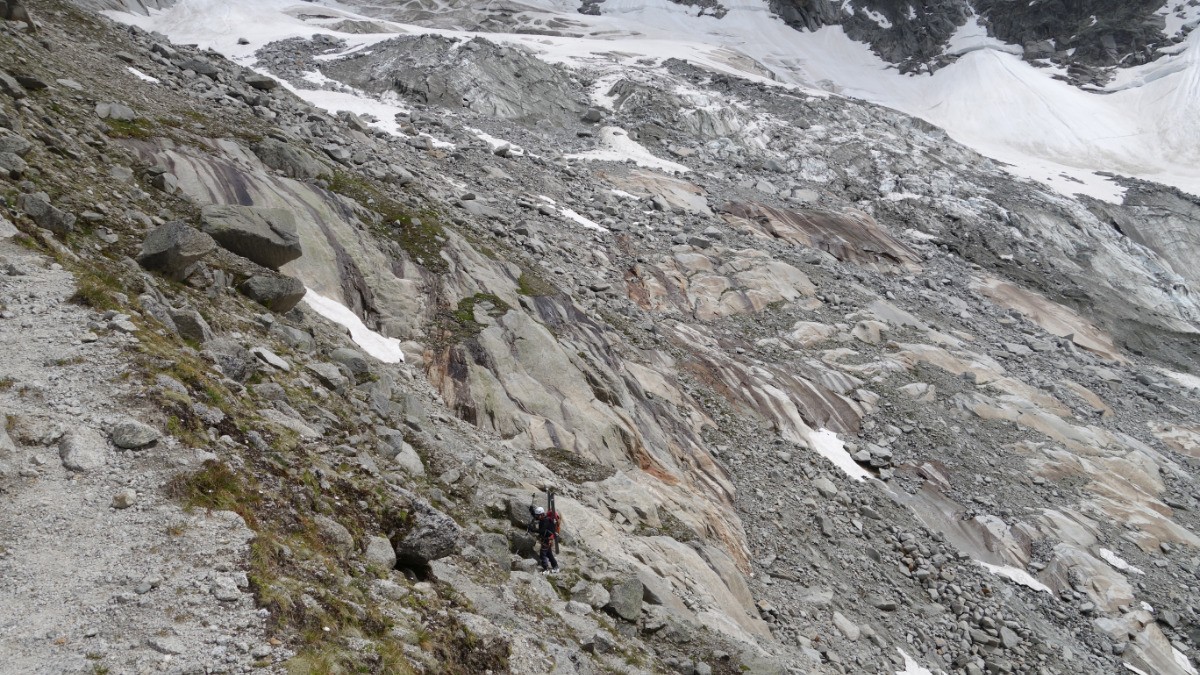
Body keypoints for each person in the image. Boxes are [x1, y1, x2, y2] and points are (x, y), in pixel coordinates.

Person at [530, 506, 559, 574]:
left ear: (542, 514)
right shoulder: (543, 518)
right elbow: (536, 516)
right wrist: (532, 511)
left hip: (547, 539)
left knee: (543, 553)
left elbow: (542, 531)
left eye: (538, 515)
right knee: (549, 554)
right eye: (537, 515)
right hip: (548, 539)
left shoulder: (546, 521)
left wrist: (532, 529)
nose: (537, 517)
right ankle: (556, 567)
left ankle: (546, 569)